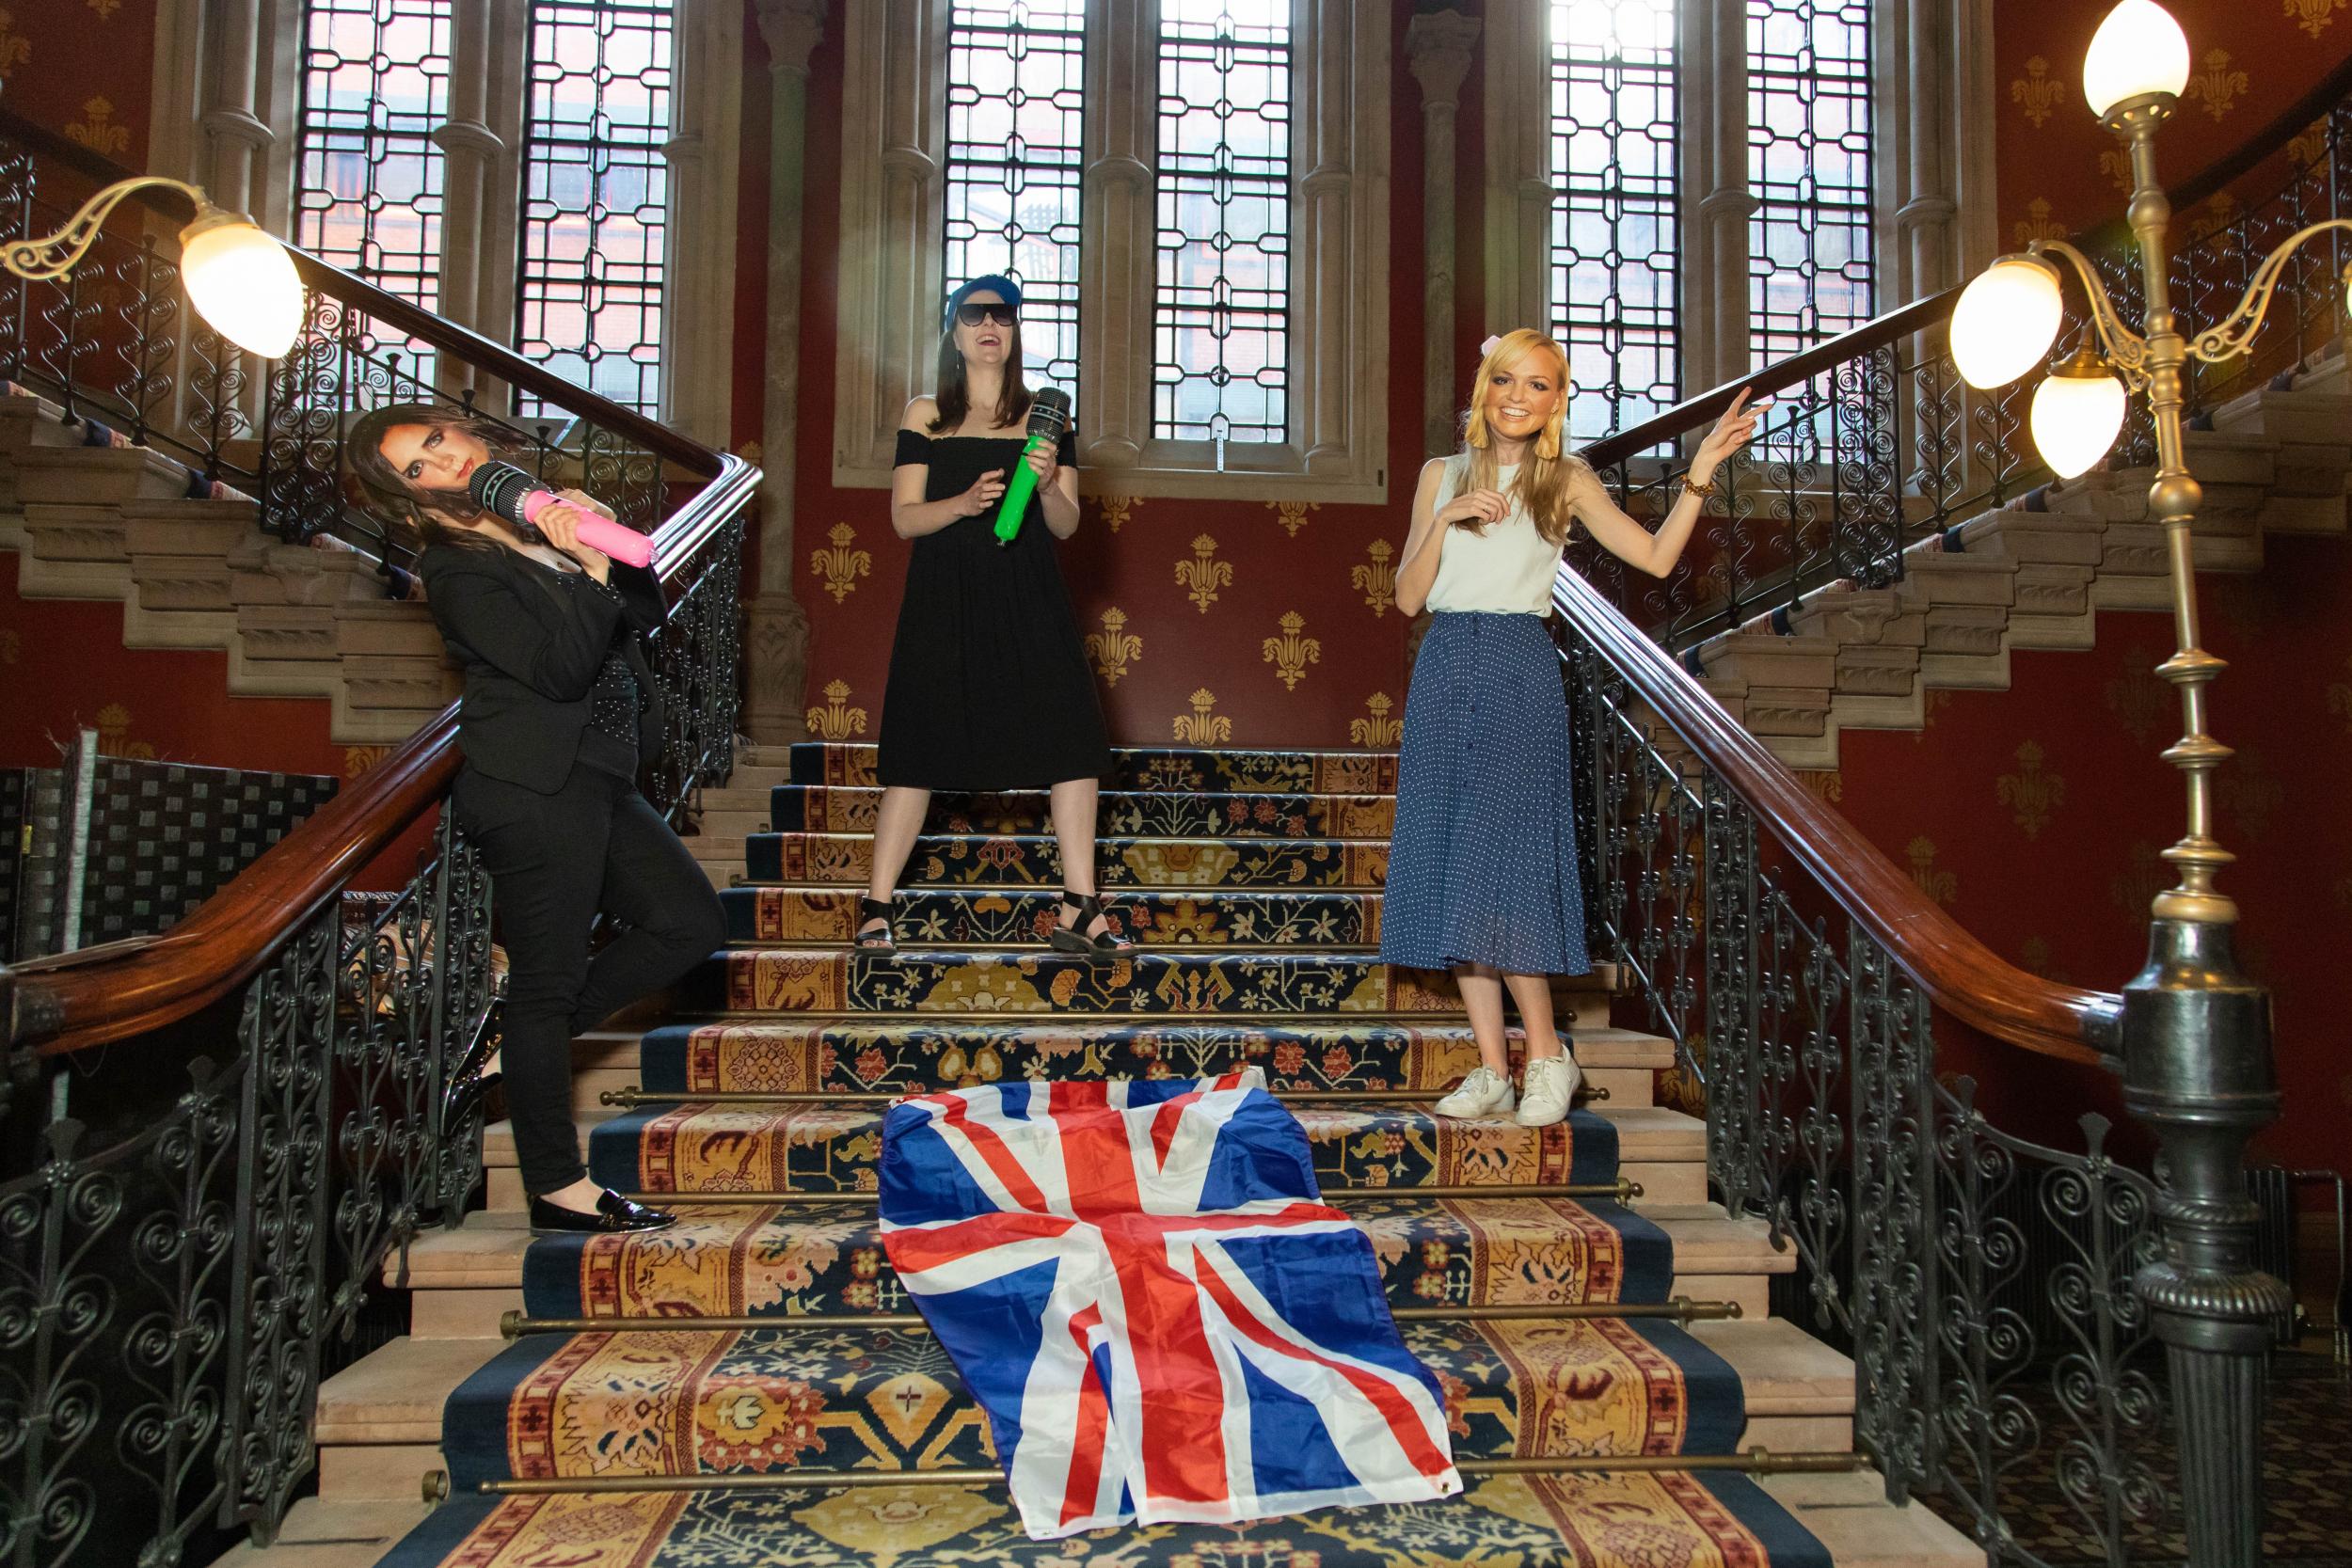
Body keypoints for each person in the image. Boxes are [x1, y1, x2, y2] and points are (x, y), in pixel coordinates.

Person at [348, 402, 723, 1235]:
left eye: (439, 441)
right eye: (416, 468)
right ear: (409, 502)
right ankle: (557, 1184)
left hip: (599, 778)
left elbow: (642, 617)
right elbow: (556, 673)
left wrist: (601, 541)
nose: (442, 463)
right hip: (529, 787)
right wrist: (585, 569)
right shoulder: (455, 569)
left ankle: (520, 1037)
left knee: (690, 921)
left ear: (473, 439)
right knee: (547, 984)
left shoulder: (539, 521)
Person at [1384, 331, 1762, 1128]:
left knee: (1504, 867)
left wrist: (1701, 473)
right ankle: (1494, 1068)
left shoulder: (1566, 480)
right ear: (1485, 388)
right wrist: (1446, 516)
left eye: (1540, 385)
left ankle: (1548, 1051)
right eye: (1506, 381)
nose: (1518, 397)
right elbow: (1407, 599)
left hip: (1521, 670)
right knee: (1458, 869)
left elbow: (1655, 559)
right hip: (1445, 666)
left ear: (1558, 402)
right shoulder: (1437, 477)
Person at [863, 276, 1126, 958]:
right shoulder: (926, 413)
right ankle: (876, 905)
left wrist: (1041, 483)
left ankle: (1079, 905)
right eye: (974, 314)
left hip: (1028, 590)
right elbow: (902, 517)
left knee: (1073, 737)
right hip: (944, 594)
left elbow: (1067, 525)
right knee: (917, 748)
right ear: (953, 332)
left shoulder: (1046, 413)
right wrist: (963, 502)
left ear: (1014, 333)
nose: (989, 325)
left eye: (1002, 316)